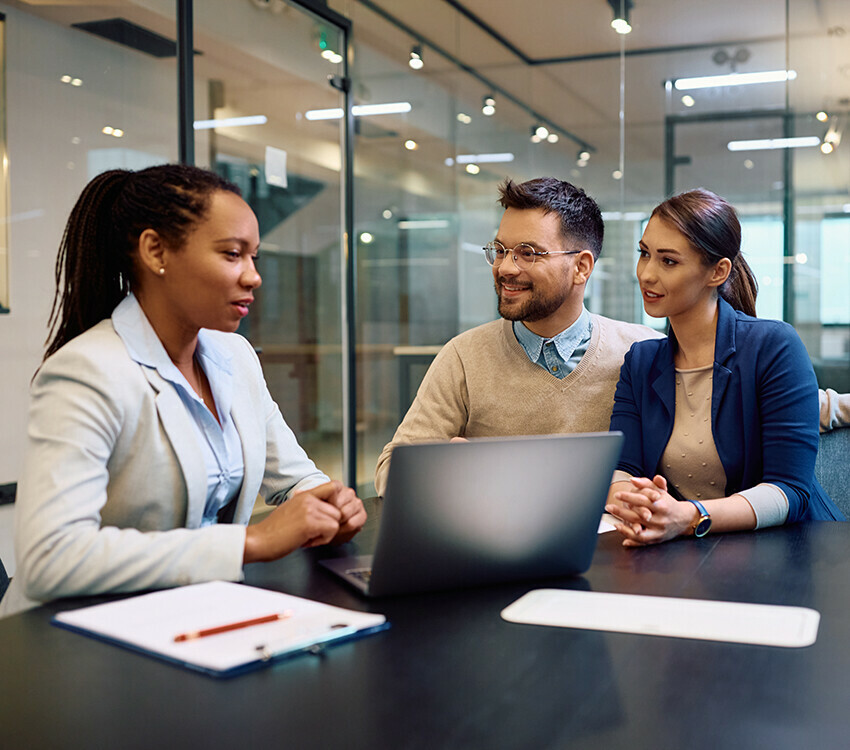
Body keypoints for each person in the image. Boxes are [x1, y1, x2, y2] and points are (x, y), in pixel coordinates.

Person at [0, 164, 366, 617]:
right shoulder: (87, 371)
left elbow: (294, 479)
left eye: (255, 257)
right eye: (233, 254)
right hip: (72, 636)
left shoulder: (235, 356)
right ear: (156, 250)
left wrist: (332, 505)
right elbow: (48, 559)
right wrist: (250, 541)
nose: (253, 276)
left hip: (191, 613)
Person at [374, 177, 662, 495]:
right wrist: (452, 470)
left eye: (528, 253)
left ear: (581, 267)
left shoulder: (641, 352)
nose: (505, 268)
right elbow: (391, 471)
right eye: (500, 250)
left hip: (615, 542)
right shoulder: (464, 357)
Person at [605, 188, 844, 547]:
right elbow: (623, 468)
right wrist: (631, 500)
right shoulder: (640, 362)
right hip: (684, 550)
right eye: (644, 254)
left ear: (718, 272)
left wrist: (689, 516)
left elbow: (790, 491)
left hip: (791, 550)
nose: (647, 274)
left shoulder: (774, 346)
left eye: (668, 261)